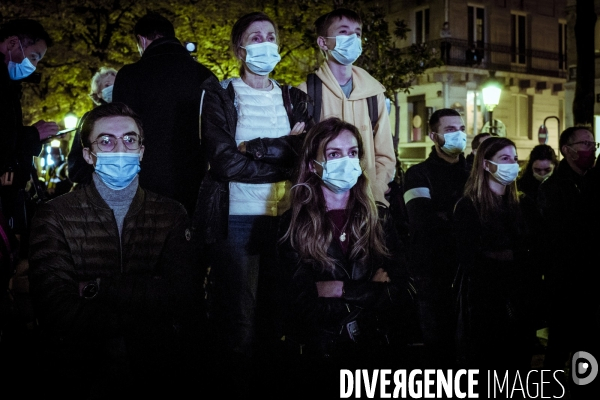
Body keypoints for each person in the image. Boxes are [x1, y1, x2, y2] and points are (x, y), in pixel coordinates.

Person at [27, 102, 205, 399]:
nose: (120, 148)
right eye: (106, 141)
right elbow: (54, 307)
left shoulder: (170, 214)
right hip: (81, 373)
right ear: (88, 154)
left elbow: (183, 295)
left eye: (130, 140)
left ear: (142, 151)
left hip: (156, 374)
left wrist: (99, 287)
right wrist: (145, 315)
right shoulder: (55, 216)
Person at [191, 11, 313, 398]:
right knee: (239, 320)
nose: (266, 43)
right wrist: (284, 155)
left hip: (286, 218)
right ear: (239, 48)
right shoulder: (219, 93)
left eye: (271, 36)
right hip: (237, 220)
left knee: (276, 316)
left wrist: (258, 150)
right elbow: (223, 162)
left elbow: (305, 156)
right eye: (255, 37)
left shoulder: (295, 98)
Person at [277, 117, 415, 397]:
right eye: (334, 154)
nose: (347, 161)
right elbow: (301, 306)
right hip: (322, 358)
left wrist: (339, 289)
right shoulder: (291, 225)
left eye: (352, 153)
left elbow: (403, 293)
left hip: (376, 357)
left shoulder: (381, 218)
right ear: (313, 164)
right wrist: (372, 290)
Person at [453, 136, 545, 370]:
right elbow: (471, 258)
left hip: (522, 303)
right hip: (486, 308)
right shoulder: (469, 207)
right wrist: (515, 256)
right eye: (504, 158)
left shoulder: (524, 205)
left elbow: (540, 250)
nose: (512, 164)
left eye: (514, 159)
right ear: (486, 164)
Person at [113, 12, 215, 216]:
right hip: (193, 179)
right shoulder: (204, 75)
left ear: (142, 40)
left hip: (144, 180)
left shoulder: (130, 75)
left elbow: (119, 129)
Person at [296, 8, 396, 206]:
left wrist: (375, 191)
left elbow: (385, 155)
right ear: (323, 42)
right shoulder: (305, 93)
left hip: (367, 204)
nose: (352, 38)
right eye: (343, 32)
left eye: (357, 33)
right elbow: (302, 157)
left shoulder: (373, 92)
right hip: (320, 207)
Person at [402, 108, 470, 369]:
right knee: (439, 347)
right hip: (433, 274)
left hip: (469, 272)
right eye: (450, 130)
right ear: (434, 136)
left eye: (461, 129)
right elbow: (422, 220)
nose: (458, 135)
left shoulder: (474, 172)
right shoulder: (417, 174)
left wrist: (446, 214)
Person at [537, 126, 599, 398]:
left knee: (589, 342)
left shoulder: (593, 182)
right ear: (566, 150)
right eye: (584, 144)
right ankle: (551, 389)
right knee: (560, 342)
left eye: (593, 144)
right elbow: (557, 235)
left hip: (592, 279)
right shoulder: (553, 188)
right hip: (564, 280)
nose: (590, 149)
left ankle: (585, 384)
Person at [0, 19, 58, 234]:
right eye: (33, 56)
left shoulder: (9, 86)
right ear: (12, 43)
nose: (34, 66)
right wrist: (33, 134)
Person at [68, 66, 118, 187]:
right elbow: (76, 160)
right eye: (107, 85)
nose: (112, 88)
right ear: (98, 93)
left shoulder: (130, 117)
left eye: (116, 84)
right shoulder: (89, 119)